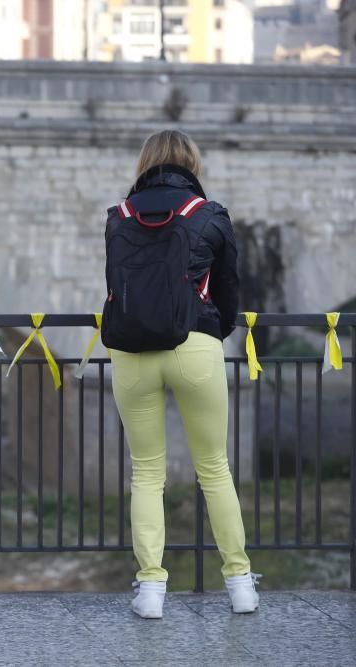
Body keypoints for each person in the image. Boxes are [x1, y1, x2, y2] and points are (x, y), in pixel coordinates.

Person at [101, 129, 260, 619]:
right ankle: (240, 585)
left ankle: (150, 589)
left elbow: (116, 282)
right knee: (214, 469)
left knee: (146, 473)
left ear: (144, 163)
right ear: (191, 163)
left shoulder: (118, 217)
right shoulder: (209, 215)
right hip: (195, 344)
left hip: (131, 351)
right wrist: (218, 328)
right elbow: (230, 285)